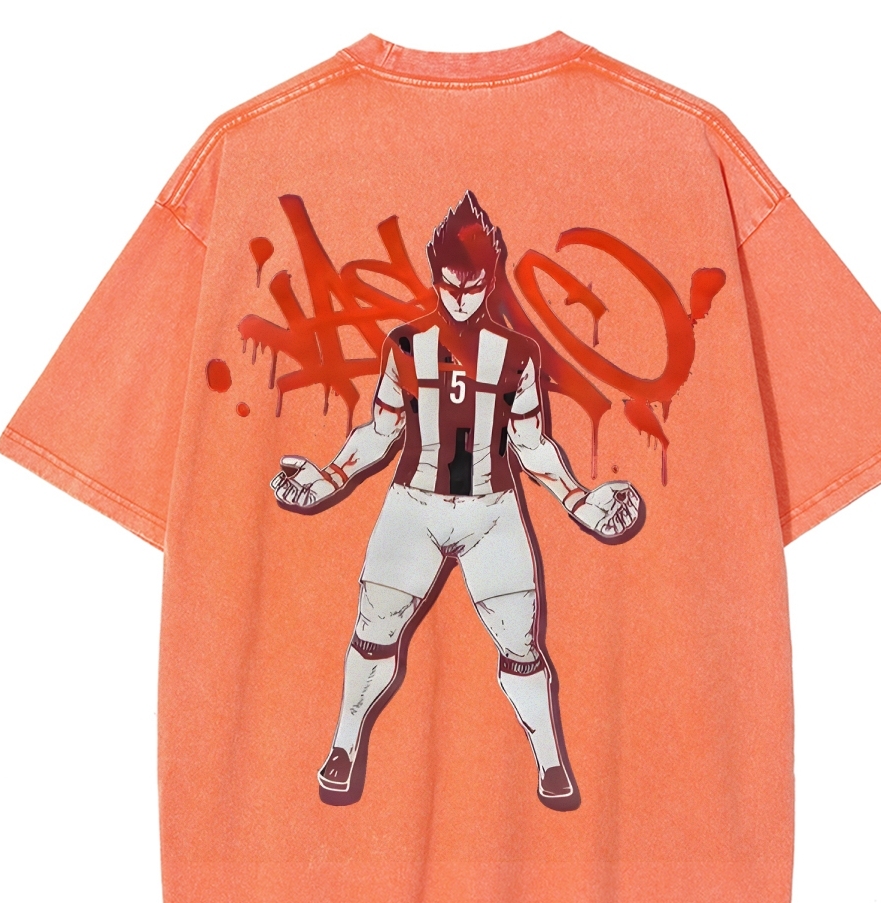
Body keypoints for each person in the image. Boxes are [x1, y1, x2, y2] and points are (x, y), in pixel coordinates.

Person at [271, 191, 641, 809]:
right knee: (372, 632)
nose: (461, 298)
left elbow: (530, 443)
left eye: (472, 287)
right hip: (413, 505)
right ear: (436, 278)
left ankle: (551, 761)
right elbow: (382, 430)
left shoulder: (518, 355)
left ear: (489, 280)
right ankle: (343, 745)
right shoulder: (406, 345)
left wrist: (578, 498)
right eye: (450, 286)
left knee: (521, 645)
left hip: (491, 511)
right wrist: (329, 475)